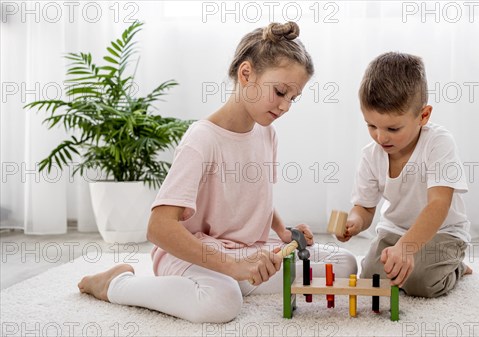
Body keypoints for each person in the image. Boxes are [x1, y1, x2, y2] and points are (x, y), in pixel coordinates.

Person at [78, 22, 357, 323]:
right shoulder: (202, 140)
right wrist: (233, 266)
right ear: (246, 74)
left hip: (248, 249)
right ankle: (117, 284)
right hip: (195, 252)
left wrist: (281, 230)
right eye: (279, 92)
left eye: (293, 98)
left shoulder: (266, 134)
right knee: (220, 304)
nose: (286, 106)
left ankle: (239, 279)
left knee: (345, 264)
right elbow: (158, 228)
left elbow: (255, 195)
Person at [336, 52, 472, 298]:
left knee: (422, 281)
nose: (381, 137)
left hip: (442, 232)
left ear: (423, 116)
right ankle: (422, 261)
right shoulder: (371, 155)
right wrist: (354, 222)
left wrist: (408, 248)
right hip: (395, 231)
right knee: (371, 277)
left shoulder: (438, 143)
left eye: (392, 128)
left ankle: (455, 267)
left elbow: (439, 204)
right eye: (371, 125)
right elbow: (364, 208)